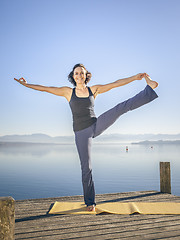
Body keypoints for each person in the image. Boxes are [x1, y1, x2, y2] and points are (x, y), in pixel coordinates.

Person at [14, 63, 158, 212]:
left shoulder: (93, 90)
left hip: (96, 124)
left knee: (120, 108)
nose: (79, 75)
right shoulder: (68, 92)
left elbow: (115, 84)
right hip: (81, 132)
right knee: (86, 167)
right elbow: (45, 88)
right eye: (76, 73)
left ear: (86, 75)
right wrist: (26, 85)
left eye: (82, 73)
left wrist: (135, 78)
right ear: (73, 76)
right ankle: (90, 202)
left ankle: (149, 89)